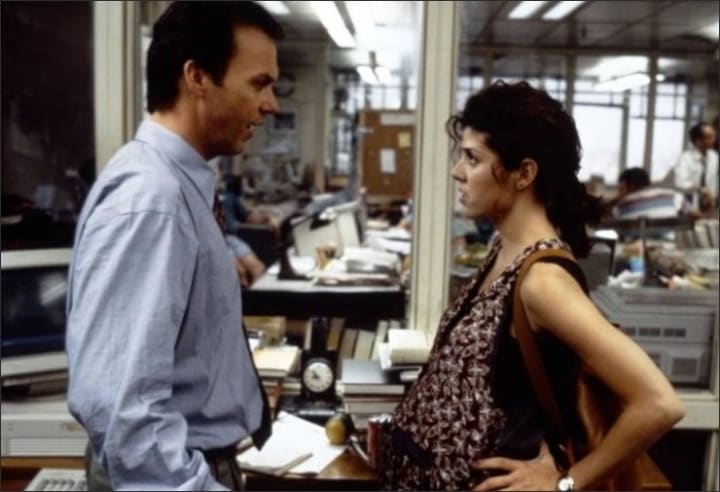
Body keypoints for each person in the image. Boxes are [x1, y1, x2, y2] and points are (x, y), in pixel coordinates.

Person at [377, 81, 684, 491]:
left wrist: (566, 485)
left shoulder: (544, 282)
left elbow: (659, 403)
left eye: (473, 158)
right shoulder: (503, 248)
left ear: (523, 174)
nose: (457, 171)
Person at [65, 2, 282, 490]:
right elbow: (124, 413)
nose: (271, 105)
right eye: (259, 84)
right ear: (197, 77)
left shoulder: (177, 186)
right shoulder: (151, 201)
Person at [213, 193, 266, 287]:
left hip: (228, 239)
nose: (222, 214)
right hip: (213, 244)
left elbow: (247, 216)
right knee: (239, 273)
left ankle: (254, 294)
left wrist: (267, 218)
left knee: (259, 269)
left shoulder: (228, 198)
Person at [670, 121, 718, 213]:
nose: (714, 140)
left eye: (714, 136)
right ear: (698, 141)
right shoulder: (685, 158)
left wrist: (712, 198)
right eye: (709, 137)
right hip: (688, 206)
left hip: (708, 206)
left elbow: (713, 182)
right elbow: (680, 183)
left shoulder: (714, 157)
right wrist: (701, 189)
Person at [612, 167, 693, 220]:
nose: (619, 193)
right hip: (670, 241)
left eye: (621, 189)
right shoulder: (673, 196)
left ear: (632, 186)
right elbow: (695, 215)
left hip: (633, 242)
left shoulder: (619, 207)